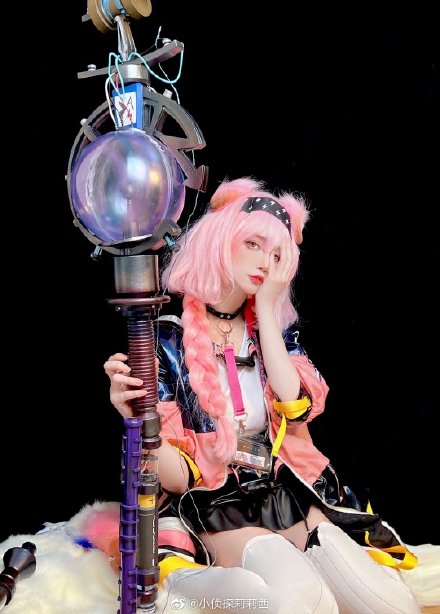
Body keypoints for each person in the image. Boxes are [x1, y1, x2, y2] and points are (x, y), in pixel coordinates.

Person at [104, 177, 421, 614]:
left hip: (283, 493)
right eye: (252, 244)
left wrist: (268, 310)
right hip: (212, 501)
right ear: (219, 241)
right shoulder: (166, 343)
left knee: (392, 604)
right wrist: (138, 419)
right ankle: (181, 588)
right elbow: (177, 480)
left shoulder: (274, 336)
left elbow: (297, 406)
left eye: (276, 255)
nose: (263, 263)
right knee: (303, 601)